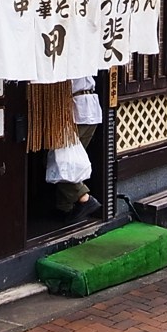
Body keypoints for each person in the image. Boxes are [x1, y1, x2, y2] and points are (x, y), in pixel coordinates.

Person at [56, 74, 103, 222]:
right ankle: (64, 207)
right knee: (72, 160)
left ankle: (84, 198)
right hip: (91, 108)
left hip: (75, 108)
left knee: (61, 160)